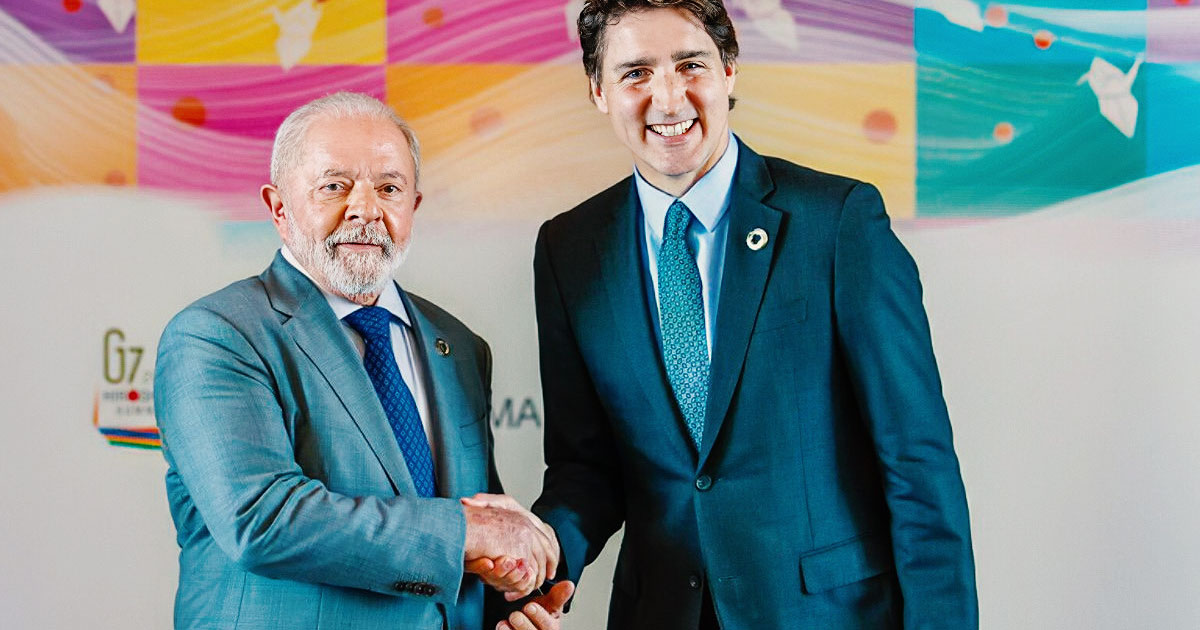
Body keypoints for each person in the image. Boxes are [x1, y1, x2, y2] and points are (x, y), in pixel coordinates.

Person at [524, 2, 979, 629]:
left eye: (691, 64)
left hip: (826, 614)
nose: (669, 97)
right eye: (635, 73)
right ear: (599, 91)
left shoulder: (839, 223)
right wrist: (542, 559)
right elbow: (585, 467)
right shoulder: (570, 249)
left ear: (729, 70)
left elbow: (917, 465)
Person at [154, 92, 571, 630]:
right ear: (279, 207)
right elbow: (261, 518)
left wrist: (511, 609)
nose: (366, 209)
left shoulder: (460, 347)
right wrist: (472, 529)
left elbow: (457, 548)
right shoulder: (217, 335)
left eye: (389, 188)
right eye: (334, 185)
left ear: (413, 207)